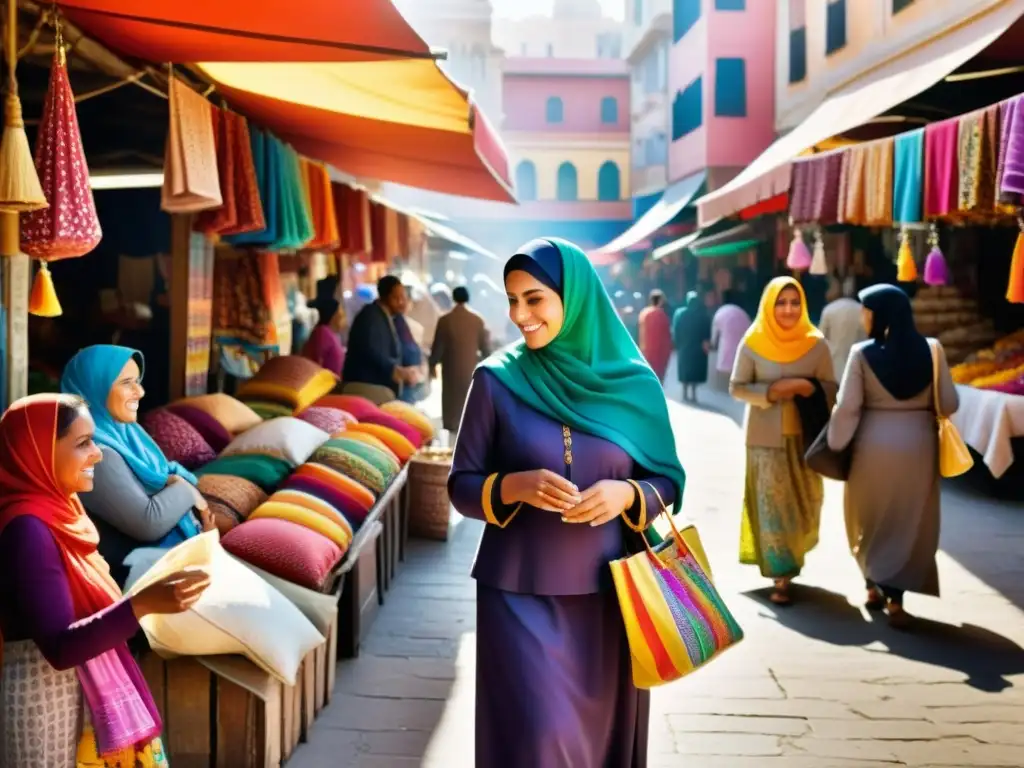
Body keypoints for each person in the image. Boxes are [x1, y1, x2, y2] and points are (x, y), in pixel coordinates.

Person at [449, 238, 685, 766]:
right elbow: (461, 484)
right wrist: (514, 487)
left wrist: (628, 493)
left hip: (612, 595)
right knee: (541, 739)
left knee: (598, 746)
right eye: (512, 301)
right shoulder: (495, 381)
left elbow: (668, 481)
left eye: (534, 299)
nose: (520, 315)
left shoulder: (635, 385)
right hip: (519, 591)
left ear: (573, 297)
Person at [0, 393, 211, 767]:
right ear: (37, 452)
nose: (97, 453)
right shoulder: (28, 528)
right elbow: (60, 647)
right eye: (83, 444)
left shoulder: (62, 509)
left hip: (72, 697)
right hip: (44, 703)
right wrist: (143, 604)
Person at [827, 285, 958, 628]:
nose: (862, 317)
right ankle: (895, 596)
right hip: (919, 448)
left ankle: (872, 585)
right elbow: (950, 403)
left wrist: (835, 442)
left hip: (872, 448)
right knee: (909, 520)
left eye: (866, 311)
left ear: (879, 315)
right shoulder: (933, 351)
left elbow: (848, 408)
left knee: (868, 516)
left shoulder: (861, 354)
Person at [61, 345, 214, 588]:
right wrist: (185, 489)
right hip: (134, 585)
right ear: (96, 386)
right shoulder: (96, 453)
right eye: (127, 383)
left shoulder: (125, 432)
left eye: (138, 382)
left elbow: (165, 478)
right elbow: (149, 522)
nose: (140, 392)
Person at [730, 277, 837, 605]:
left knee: (806, 503)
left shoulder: (816, 344)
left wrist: (807, 389)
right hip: (765, 440)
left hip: (807, 437)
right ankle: (780, 575)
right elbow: (736, 387)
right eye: (781, 302)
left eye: (794, 302)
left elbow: (832, 389)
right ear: (769, 304)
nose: (788, 309)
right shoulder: (753, 342)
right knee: (772, 506)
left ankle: (793, 558)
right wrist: (772, 392)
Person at [341, 275, 418, 403]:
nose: (402, 302)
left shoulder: (385, 316)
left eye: (403, 297)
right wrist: (397, 371)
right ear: (385, 297)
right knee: (392, 400)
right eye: (396, 298)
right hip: (364, 383)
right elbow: (373, 353)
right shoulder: (371, 317)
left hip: (375, 382)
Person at [429, 285, 491, 433]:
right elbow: (486, 350)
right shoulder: (477, 320)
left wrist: (432, 366)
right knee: (470, 405)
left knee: (451, 409)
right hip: (471, 371)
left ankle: (452, 441)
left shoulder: (445, 320)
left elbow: (437, 348)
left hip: (450, 371)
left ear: (453, 298)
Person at [819, 276, 867, 381]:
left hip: (833, 369)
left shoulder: (829, 310)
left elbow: (820, 341)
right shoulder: (862, 310)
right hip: (857, 369)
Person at [672, 290, 712, 402]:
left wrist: (677, 343)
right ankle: (693, 394)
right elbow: (707, 333)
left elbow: (676, 330)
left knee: (685, 370)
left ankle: (684, 393)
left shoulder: (680, 314)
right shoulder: (704, 315)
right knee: (695, 371)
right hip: (697, 349)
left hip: (684, 347)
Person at [301, 278, 346, 376]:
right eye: (341, 315)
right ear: (333, 316)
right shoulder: (322, 333)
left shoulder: (332, 334)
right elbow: (316, 365)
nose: (344, 319)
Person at [709, 291, 752, 390]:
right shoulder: (743, 313)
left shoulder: (720, 313)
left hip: (726, 347)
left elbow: (714, 337)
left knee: (724, 363)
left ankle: (722, 388)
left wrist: (713, 344)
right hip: (743, 348)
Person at [637, 289, 673, 384]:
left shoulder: (643, 313)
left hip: (644, 352)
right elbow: (666, 337)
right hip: (658, 354)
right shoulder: (661, 315)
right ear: (660, 301)